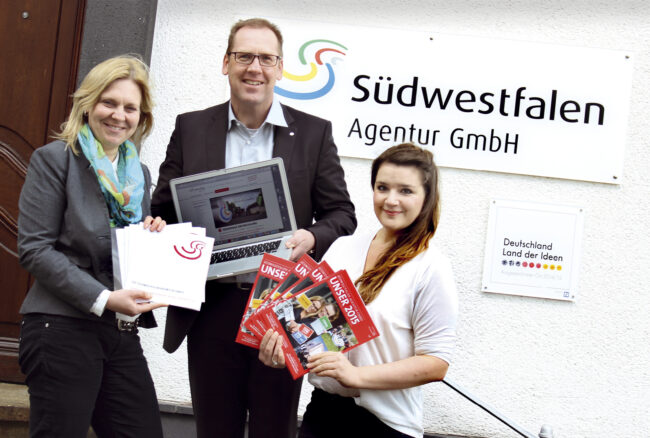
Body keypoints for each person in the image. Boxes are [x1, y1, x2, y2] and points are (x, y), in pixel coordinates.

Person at [151, 17, 357, 438]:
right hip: (211, 306)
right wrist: (159, 230)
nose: (255, 68)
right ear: (226, 63)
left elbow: (342, 214)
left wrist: (312, 236)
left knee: (273, 429)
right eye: (244, 56)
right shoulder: (191, 127)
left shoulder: (314, 133)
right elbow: (164, 209)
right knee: (215, 429)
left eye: (266, 58)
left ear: (281, 68)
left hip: (281, 308)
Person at [260, 143, 459, 438]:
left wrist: (355, 375)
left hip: (386, 425)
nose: (391, 200)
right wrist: (281, 352)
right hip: (323, 415)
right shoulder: (342, 248)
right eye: (382, 187)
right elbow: (312, 329)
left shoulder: (431, 267)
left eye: (406, 190)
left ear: (426, 197)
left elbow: (435, 364)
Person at [17, 55, 168, 438]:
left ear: (141, 117)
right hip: (61, 327)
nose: (119, 115)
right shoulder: (54, 160)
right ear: (87, 105)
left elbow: (126, 251)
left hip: (120, 332)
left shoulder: (137, 174)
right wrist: (105, 298)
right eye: (109, 103)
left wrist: (152, 235)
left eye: (130, 108)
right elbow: (35, 249)